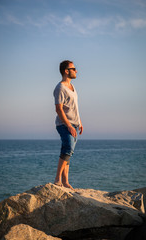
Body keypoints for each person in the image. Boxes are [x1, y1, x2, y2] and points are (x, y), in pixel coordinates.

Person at [53, 60, 83, 190]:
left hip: (74, 124)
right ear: (66, 71)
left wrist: (79, 122)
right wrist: (69, 126)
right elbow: (58, 109)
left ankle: (65, 181)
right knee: (68, 149)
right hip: (64, 124)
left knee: (68, 152)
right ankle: (57, 179)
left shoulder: (72, 88)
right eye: (73, 68)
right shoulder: (60, 88)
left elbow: (74, 107)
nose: (76, 71)